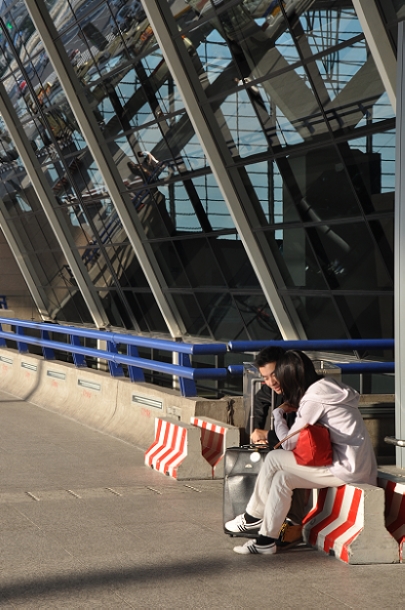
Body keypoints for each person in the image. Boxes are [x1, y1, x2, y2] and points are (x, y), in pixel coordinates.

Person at [226, 349, 377, 555]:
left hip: (344, 467)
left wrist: (278, 413)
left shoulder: (313, 400)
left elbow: (288, 444)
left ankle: (252, 517)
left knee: (274, 458)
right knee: (282, 478)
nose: (275, 382)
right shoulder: (329, 387)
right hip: (358, 463)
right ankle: (265, 542)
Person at [245, 347, 309, 547]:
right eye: (265, 378)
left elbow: (296, 438)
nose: (271, 382)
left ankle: (289, 524)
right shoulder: (271, 389)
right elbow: (258, 404)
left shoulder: (303, 391)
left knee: (285, 463)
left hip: (321, 456)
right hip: (301, 453)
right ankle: (262, 519)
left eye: (274, 375)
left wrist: (268, 435)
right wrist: (255, 432)